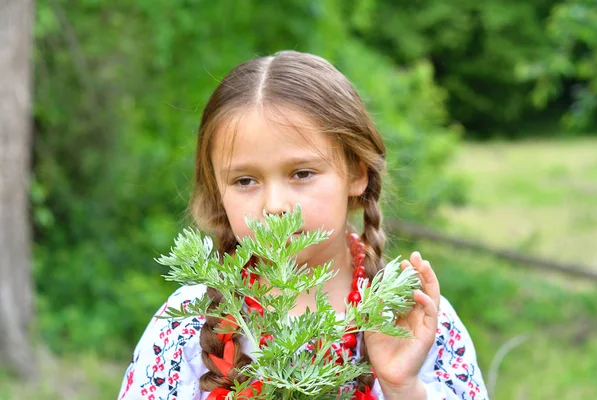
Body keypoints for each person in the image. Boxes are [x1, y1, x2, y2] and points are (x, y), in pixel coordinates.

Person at [117, 50, 488, 400]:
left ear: (357, 172)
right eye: (245, 180)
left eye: (302, 173)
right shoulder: (186, 324)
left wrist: (402, 386)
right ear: (218, 192)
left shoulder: (413, 319)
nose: (275, 206)